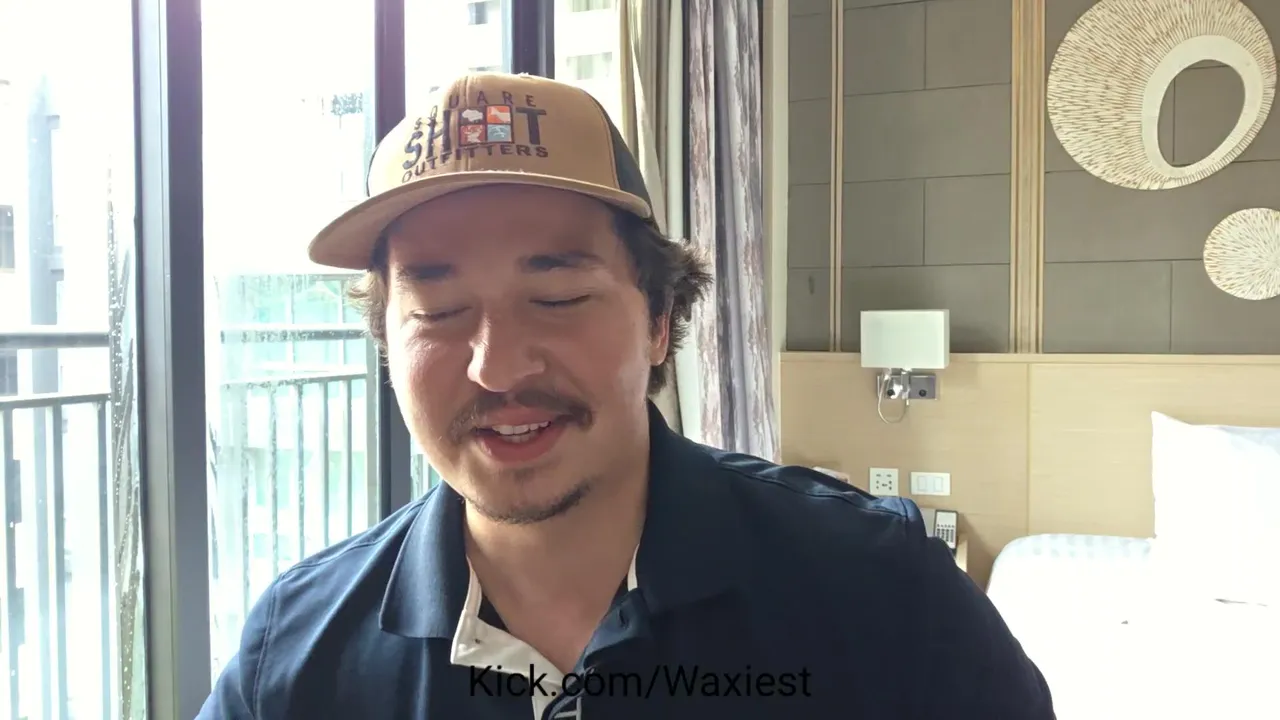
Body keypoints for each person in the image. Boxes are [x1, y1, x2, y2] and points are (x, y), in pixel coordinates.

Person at [198, 71, 1054, 719]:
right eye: (440, 311)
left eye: (558, 297)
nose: (498, 369)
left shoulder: (877, 593)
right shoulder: (297, 656)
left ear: (658, 320)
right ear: (388, 341)